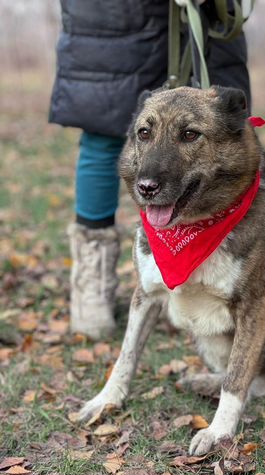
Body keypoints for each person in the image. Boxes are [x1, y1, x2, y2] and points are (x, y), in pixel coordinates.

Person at [49, 0, 251, 340]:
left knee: (221, 129)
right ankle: (92, 281)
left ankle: (230, 276)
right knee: (105, 128)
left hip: (207, 10)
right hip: (113, 14)